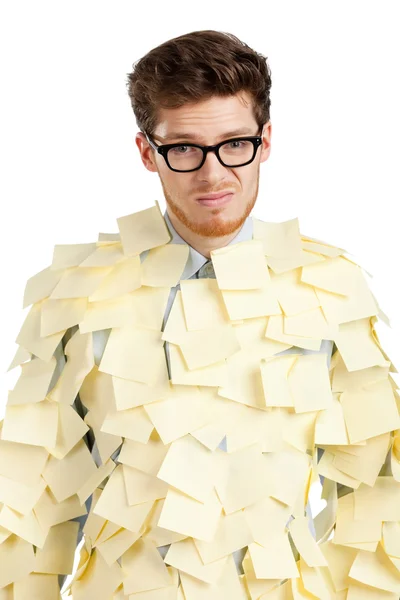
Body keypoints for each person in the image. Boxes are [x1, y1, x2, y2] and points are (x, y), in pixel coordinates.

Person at [1, 29, 398, 599]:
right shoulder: (75, 293)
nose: (214, 175)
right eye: (184, 148)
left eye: (233, 144)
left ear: (264, 141)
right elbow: (29, 500)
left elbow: (375, 497)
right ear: (147, 151)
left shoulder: (332, 289)